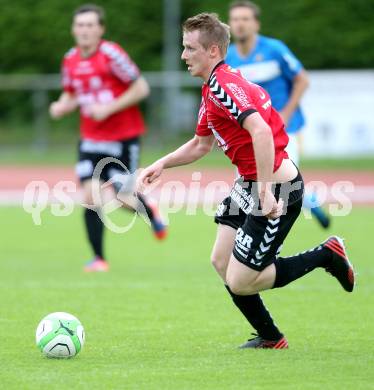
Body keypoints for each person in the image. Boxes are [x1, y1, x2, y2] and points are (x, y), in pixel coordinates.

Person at [138, 13, 354, 349]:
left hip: (277, 188)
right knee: (221, 261)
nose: (183, 56)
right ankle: (270, 337)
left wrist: (265, 192)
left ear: (212, 51)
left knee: (241, 280)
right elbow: (201, 144)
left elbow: (262, 132)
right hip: (249, 184)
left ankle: (327, 255)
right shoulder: (213, 88)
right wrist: (163, 163)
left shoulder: (224, 86)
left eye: (189, 48)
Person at [50, 4, 166, 272]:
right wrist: (61, 104)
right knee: (90, 196)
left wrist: (108, 109)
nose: (85, 30)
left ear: (100, 29)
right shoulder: (70, 59)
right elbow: (70, 93)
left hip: (123, 139)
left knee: (123, 197)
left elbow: (141, 87)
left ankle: (150, 209)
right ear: (73, 30)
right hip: (90, 139)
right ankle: (99, 259)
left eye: (91, 25)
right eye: (80, 25)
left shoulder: (111, 55)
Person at [226, 0, 330, 228]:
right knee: (253, 182)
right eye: (235, 19)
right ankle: (306, 200)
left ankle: (267, 237)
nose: (240, 24)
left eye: (245, 19)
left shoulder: (274, 49)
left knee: (281, 181)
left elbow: (302, 79)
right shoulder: (229, 58)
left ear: (256, 24)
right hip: (253, 133)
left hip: (284, 128)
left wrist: (285, 113)